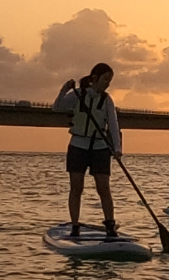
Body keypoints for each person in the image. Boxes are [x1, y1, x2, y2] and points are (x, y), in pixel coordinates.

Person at [52, 62, 123, 239]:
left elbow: (113, 125)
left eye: (110, 80)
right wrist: (64, 90)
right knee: (76, 188)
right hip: (78, 146)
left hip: (100, 148)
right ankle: (75, 226)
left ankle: (110, 226)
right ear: (95, 78)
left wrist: (117, 148)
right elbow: (57, 107)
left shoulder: (107, 100)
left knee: (104, 188)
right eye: (106, 79)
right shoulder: (77, 95)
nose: (108, 83)